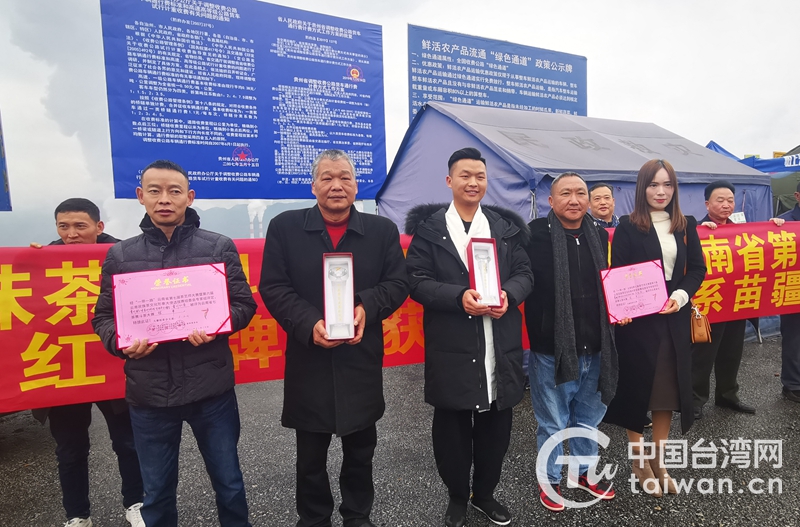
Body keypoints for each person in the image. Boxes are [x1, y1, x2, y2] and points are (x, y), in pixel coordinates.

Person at [92, 160, 256, 527]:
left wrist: (217, 326)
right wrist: (120, 342)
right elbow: (102, 317)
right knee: (157, 491)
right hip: (149, 394)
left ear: (189, 197)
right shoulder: (121, 255)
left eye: (174, 191)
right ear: (141, 196)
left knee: (229, 483)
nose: (164, 199)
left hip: (211, 389)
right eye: (155, 191)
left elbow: (244, 305)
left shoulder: (218, 246)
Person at [259, 149, 409, 527]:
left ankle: (357, 516)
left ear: (356, 186)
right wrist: (309, 322)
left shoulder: (381, 231)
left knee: (361, 452)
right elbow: (274, 287)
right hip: (309, 359)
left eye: (345, 177)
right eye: (327, 178)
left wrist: (365, 308)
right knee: (310, 457)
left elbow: (398, 282)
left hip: (360, 357)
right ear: (314, 186)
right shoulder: (285, 227)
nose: (336, 185)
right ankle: (314, 519)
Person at [405, 147, 533, 527]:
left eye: (480, 176)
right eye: (465, 175)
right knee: (453, 431)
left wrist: (509, 295)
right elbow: (415, 281)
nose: (473, 182)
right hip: (453, 346)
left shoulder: (504, 229)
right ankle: (458, 497)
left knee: (496, 430)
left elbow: (525, 273)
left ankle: (485, 494)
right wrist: (457, 297)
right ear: (449, 181)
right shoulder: (430, 231)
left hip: (499, 343)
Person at [30, 198, 144, 527]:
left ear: (99, 227)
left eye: (80, 226)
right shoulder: (44, 259)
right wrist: (26, 260)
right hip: (67, 369)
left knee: (128, 442)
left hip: (113, 367)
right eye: (63, 227)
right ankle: (77, 515)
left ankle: (135, 503)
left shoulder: (124, 255)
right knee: (70, 449)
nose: (71, 234)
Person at [603, 159, 706, 497]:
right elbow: (619, 273)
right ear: (642, 188)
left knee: (667, 393)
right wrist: (622, 309)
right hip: (638, 322)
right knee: (637, 391)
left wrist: (680, 296)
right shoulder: (628, 227)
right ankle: (638, 461)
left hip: (674, 316)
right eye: (653, 185)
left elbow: (697, 269)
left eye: (667, 184)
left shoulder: (686, 225)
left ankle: (658, 461)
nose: (661, 192)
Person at [524, 173, 618, 511]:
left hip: (597, 345)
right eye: (566, 193)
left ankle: (583, 473)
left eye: (581, 193)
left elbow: (610, 283)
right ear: (551, 201)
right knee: (552, 421)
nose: (574, 200)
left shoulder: (598, 234)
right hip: (552, 348)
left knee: (588, 419)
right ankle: (549, 479)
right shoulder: (533, 235)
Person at [691, 181, 778, 418]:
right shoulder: (695, 230)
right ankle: (695, 400)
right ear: (707, 204)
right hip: (709, 302)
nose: (726, 205)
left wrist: (775, 227)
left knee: (731, 353)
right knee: (702, 355)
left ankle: (728, 395)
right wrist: (700, 232)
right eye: (720, 200)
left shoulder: (742, 231)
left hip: (737, 301)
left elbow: (767, 249)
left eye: (730, 200)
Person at [779, 181, 800, 403]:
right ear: (797, 196)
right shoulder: (784, 222)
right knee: (794, 340)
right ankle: (792, 384)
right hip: (793, 289)